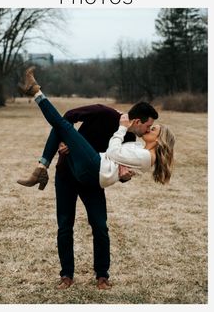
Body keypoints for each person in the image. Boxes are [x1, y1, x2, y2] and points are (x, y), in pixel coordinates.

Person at [17, 68, 174, 289]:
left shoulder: (131, 138)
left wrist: (125, 176)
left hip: (92, 177)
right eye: (148, 126)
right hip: (67, 174)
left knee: (100, 226)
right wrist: (66, 142)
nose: (148, 130)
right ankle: (66, 276)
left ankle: (102, 276)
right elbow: (68, 118)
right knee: (65, 225)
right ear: (137, 120)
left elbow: (121, 164)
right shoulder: (105, 113)